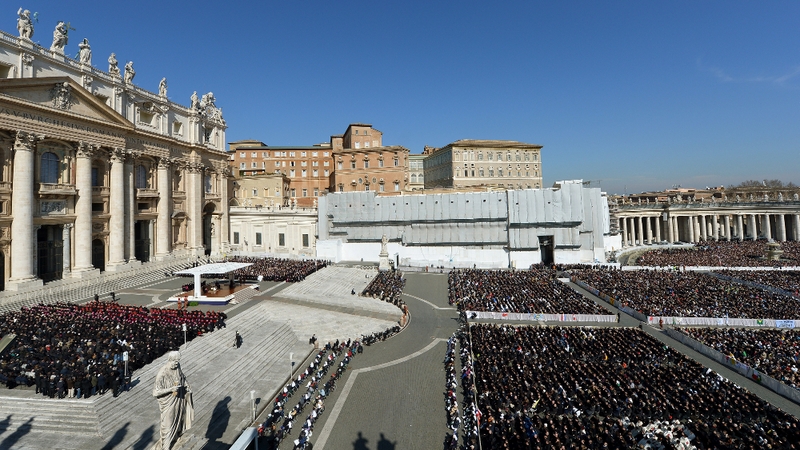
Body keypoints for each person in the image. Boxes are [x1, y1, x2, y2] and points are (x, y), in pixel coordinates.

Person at [153, 351, 193, 450]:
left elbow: (182, 377)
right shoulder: (162, 373)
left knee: (179, 420)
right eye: (175, 361)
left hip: (179, 399)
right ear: (169, 360)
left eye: (178, 361)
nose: (177, 363)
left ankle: (175, 437)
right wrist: (170, 389)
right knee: (168, 426)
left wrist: (186, 385)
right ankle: (165, 448)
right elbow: (155, 392)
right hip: (168, 403)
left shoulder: (177, 366)